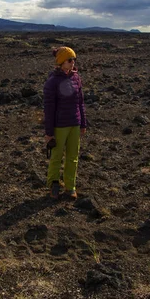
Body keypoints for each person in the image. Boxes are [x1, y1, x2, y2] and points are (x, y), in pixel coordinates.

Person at [43, 46, 87, 199]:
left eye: (74, 59)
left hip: (74, 123)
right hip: (59, 125)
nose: (73, 62)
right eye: (70, 60)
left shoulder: (76, 78)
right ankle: (54, 184)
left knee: (73, 156)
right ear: (61, 62)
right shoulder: (52, 82)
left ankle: (70, 186)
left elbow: (80, 102)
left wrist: (83, 123)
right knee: (56, 156)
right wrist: (49, 133)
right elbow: (49, 109)